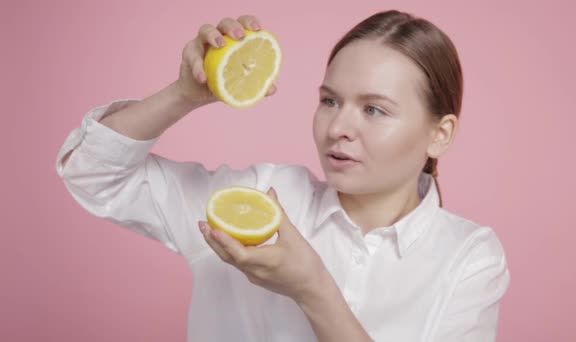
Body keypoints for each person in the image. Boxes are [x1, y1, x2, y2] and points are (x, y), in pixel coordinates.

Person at [56, 10, 510, 342]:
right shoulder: (258, 200)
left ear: (440, 134)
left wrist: (313, 289)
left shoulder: (469, 260)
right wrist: (183, 95)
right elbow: (92, 172)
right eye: (329, 101)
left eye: (374, 109)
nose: (337, 129)